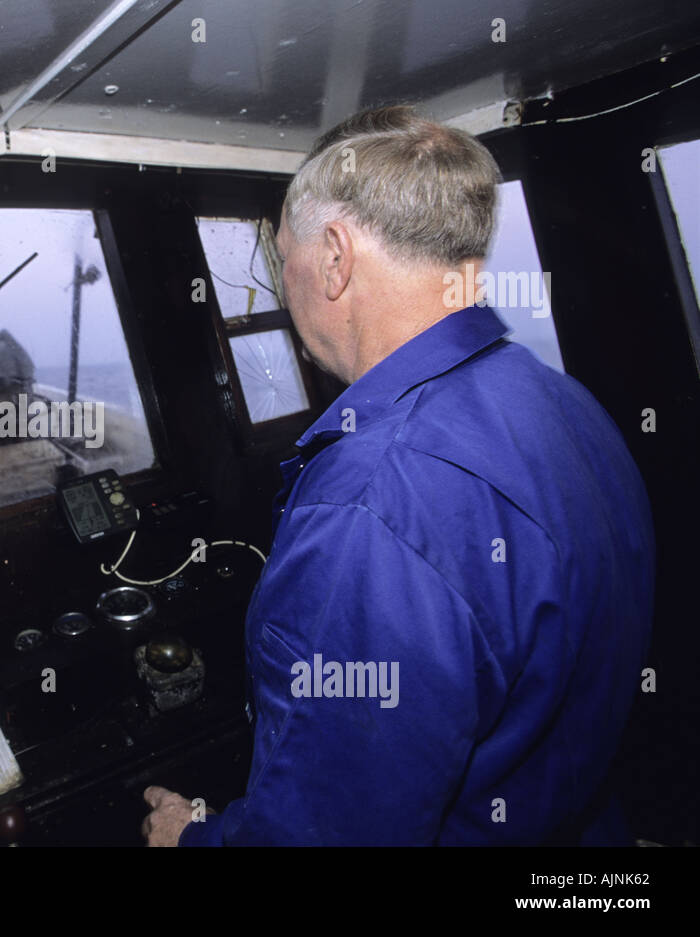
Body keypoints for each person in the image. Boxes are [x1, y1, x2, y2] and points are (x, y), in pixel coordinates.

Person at [141, 106, 654, 846]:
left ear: (336, 258)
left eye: (279, 258)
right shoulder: (570, 407)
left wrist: (191, 837)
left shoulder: (370, 504)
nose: (282, 288)